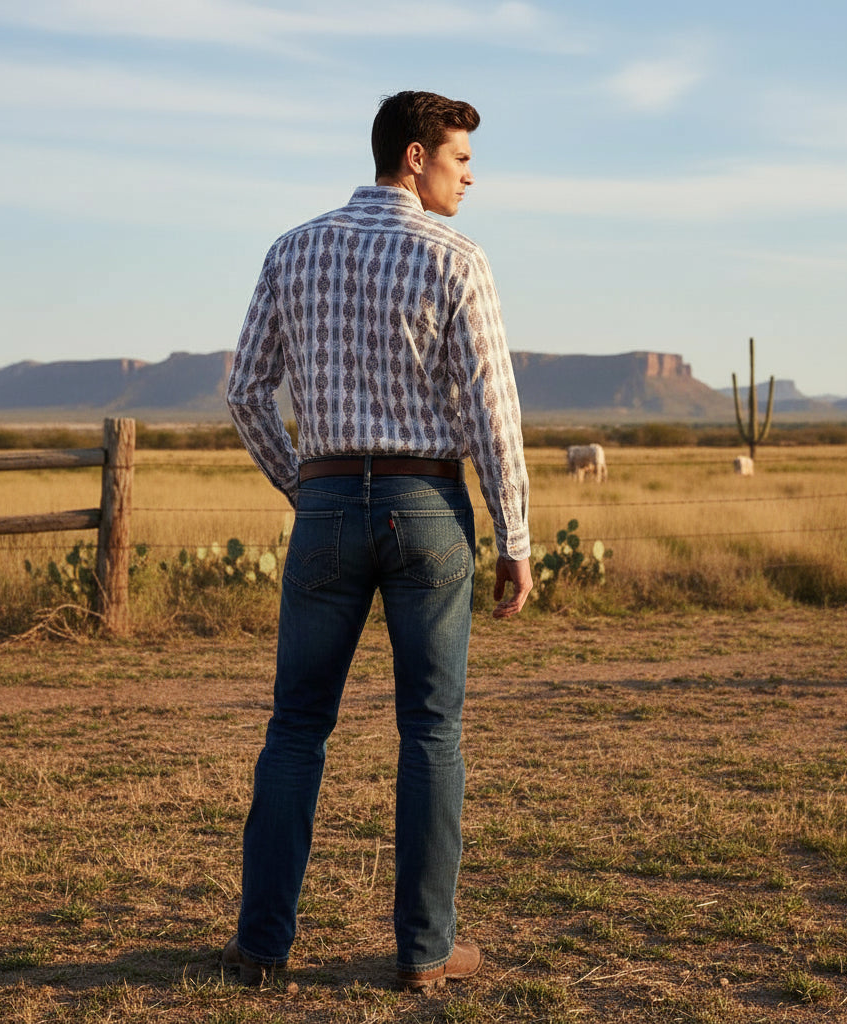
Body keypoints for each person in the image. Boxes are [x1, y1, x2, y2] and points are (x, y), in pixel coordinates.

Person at [223, 89, 532, 993]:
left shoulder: (292, 249)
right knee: (431, 729)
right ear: (414, 156)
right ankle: (425, 954)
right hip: (425, 505)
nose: (469, 178)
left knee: (296, 726)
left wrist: (306, 485)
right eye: (460, 160)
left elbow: (245, 391)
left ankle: (261, 949)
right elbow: (491, 410)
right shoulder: (456, 258)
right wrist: (515, 534)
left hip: (326, 503)